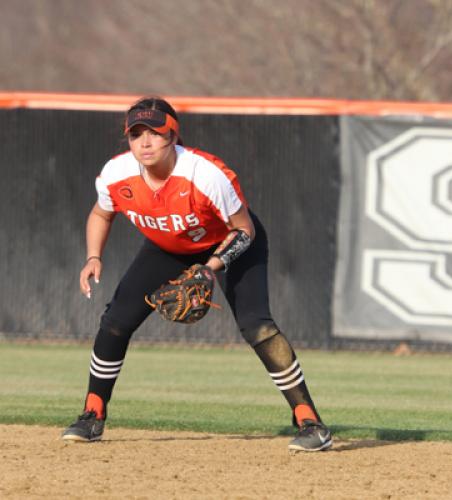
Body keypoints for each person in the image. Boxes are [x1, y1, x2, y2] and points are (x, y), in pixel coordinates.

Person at [61, 96, 332, 452]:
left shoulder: (206, 174)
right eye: (135, 134)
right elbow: (101, 213)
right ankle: (92, 415)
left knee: (257, 326)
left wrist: (209, 268)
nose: (144, 142)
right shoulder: (116, 173)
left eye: (154, 133)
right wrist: (93, 256)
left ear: (172, 135)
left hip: (227, 242)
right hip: (169, 246)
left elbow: (244, 230)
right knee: (115, 321)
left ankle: (309, 421)